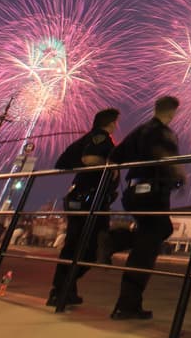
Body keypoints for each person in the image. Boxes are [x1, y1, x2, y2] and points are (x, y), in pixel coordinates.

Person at [108, 96, 183, 320]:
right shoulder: (164, 133)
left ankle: (128, 304)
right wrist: (179, 175)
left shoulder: (139, 131)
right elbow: (163, 156)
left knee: (148, 238)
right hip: (153, 193)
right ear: (172, 113)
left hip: (133, 191)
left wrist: (114, 173)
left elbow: (115, 156)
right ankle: (115, 240)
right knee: (153, 237)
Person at [47, 107, 120, 307]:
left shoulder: (86, 139)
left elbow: (63, 161)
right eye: (115, 122)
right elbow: (89, 160)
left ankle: (64, 290)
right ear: (110, 123)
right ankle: (62, 288)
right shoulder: (100, 137)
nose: (116, 125)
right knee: (93, 247)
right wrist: (110, 167)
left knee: (74, 245)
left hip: (81, 198)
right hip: (90, 200)